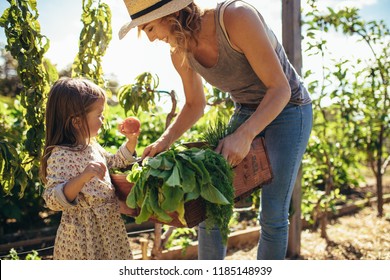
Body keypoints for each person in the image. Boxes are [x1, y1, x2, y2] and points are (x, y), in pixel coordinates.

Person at [118, 0, 313, 260]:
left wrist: (244, 135)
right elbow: (195, 104)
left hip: (289, 109)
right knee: (208, 205)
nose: (152, 39)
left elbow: (280, 89)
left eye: (151, 28)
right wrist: (164, 140)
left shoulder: (236, 18)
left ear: (171, 13)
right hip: (245, 110)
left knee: (273, 214)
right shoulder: (179, 51)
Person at [40, 77, 138, 260]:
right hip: (83, 235)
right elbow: (52, 199)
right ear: (77, 121)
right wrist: (83, 177)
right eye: (99, 115)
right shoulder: (61, 155)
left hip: (109, 229)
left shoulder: (92, 146)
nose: (103, 120)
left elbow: (115, 162)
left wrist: (131, 142)